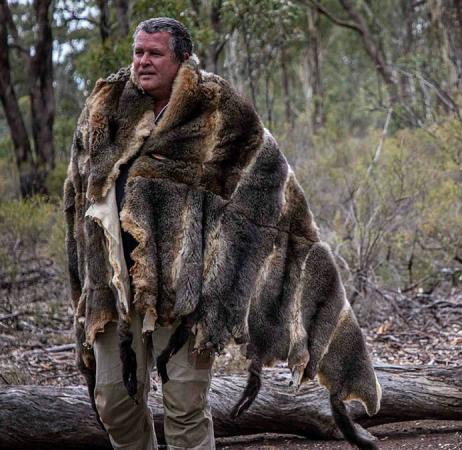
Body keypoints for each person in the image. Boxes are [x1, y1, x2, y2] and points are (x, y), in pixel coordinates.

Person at [64, 17, 381, 450]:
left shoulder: (215, 109)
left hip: (187, 296)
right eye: (138, 52)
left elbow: (274, 192)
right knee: (113, 403)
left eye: (154, 53)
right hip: (113, 290)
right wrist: (83, 283)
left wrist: (229, 272)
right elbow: (77, 197)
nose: (142, 62)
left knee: (185, 406)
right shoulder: (106, 110)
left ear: (181, 58)